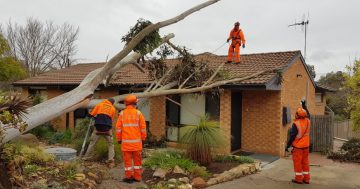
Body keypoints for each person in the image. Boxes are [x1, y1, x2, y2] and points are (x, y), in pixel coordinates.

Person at [115, 94, 146, 183]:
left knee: (127, 162)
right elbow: (143, 128)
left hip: (126, 144)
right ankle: (137, 177)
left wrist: (119, 139)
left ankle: (129, 177)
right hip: (137, 144)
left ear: (126, 104)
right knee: (137, 162)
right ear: (134, 104)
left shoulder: (122, 114)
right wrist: (143, 138)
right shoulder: (139, 113)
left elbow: (118, 128)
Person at [83, 98, 116, 168]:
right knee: (111, 144)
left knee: (92, 143)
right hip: (107, 129)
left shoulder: (99, 105)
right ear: (112, 103)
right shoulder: (113, 108)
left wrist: (90, 114)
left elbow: (92, 114)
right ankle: (110, 159)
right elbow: (111, 119)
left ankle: (86, 157)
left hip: (98, 129)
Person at [286, 100, 311, 184]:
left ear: (298, 115)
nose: (295, 114)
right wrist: (304, 106)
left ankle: (299, 179)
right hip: (306, 146)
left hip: (298, 147)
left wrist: (288, 146)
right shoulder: (308, 121)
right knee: (305, 162)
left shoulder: (296, 124)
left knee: (298, 163)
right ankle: (307, 179)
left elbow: (292, 136)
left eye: (296, 113)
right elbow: (308, 114)